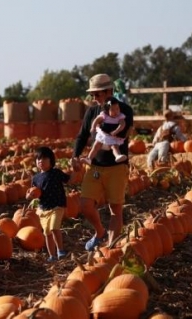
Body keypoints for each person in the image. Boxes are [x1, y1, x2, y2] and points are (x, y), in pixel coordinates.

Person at [70, 73, 134, 251]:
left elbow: (122, 133)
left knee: (116, 210)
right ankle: (100, 232)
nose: (94, 98)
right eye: (92, 95)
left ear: (109, 92)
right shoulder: (92, 112)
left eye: (97, 94)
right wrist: (75, 156)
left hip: (117, 167)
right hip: (95, 166)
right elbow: (82, 135)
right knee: (85, 204)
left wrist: (103, 125)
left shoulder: (124, 111)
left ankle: (111, 249)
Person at [27, 146, 72, 262]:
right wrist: (30, 196)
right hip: (43, 208)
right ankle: (52, 255)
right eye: (38, 159)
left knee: (54, 228)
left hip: (57, 205)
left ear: (51, 160)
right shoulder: (36, 178)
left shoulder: (56, 173)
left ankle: (60, 250)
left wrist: (76, 170)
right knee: (47, 233)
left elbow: (69, 180)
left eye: (44, 158)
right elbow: (30, 193)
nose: (41, 161)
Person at [81, 96, 127, 165]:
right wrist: (93, 127)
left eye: (117, 109)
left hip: (112, 136)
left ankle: (117, 156)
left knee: (114, 146)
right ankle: (89, 158)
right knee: (95, 146)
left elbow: (122, 124)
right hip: (103, 135)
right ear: (107, 111)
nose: (116, 112)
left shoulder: (120, 117)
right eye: (113, 110)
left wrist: (116, 131)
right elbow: (96, 120)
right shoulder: (104, 115)